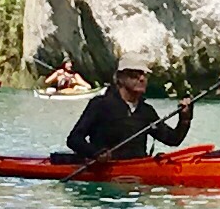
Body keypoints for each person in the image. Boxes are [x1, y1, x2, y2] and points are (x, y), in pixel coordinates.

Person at [66, 63, 194, 163]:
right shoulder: (100, 105)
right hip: (106, 170)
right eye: (135, 75)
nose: (142, 79)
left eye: (144, 75)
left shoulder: (146, 111)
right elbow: (74, 139)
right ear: (120, 78)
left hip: (137, 170)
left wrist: (185, 119)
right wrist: (95, 153)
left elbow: (173, 140)